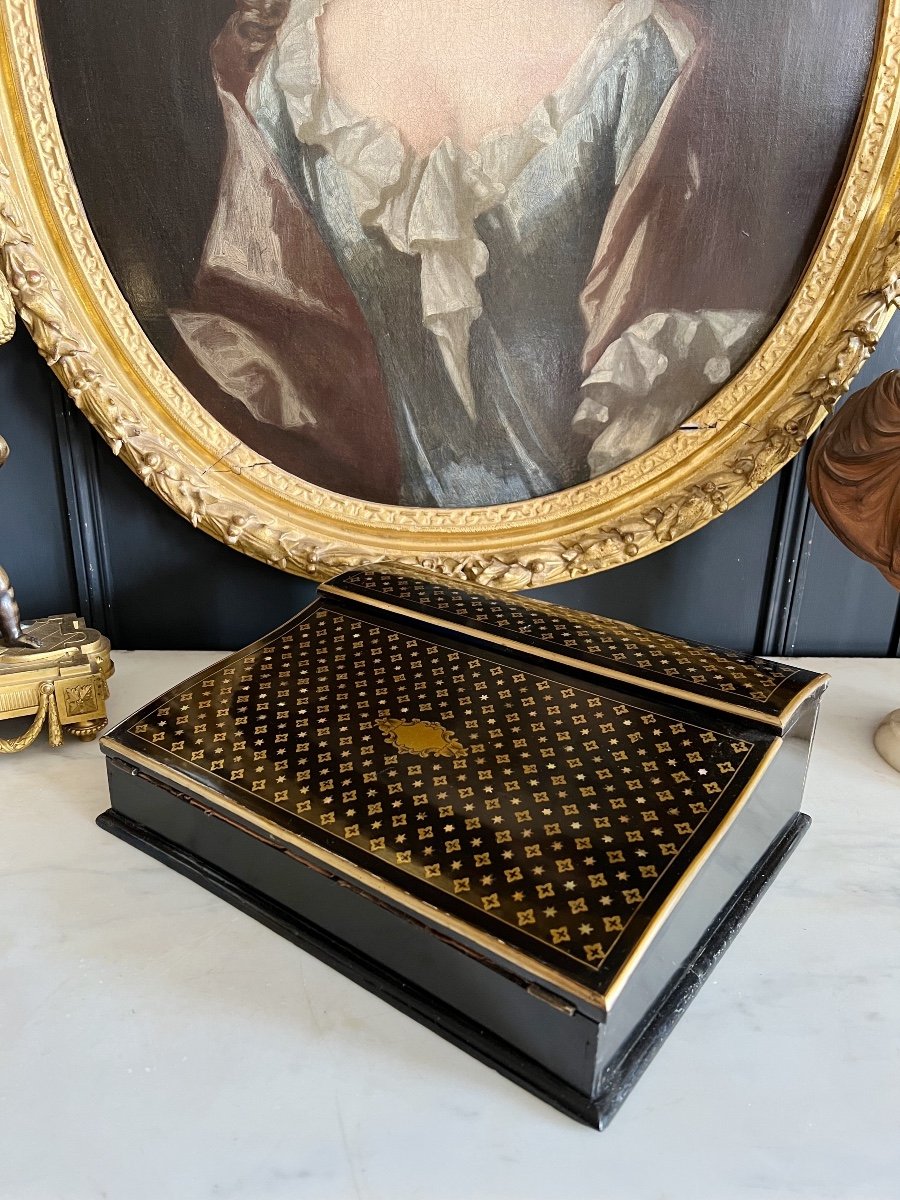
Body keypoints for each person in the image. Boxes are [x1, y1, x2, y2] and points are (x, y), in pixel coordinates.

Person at [171, 0, 815, 506]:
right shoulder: (285, 64)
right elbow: (261, 338)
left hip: (600, 558)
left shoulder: (643, 48)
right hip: (366, 565)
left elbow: (681, 363)